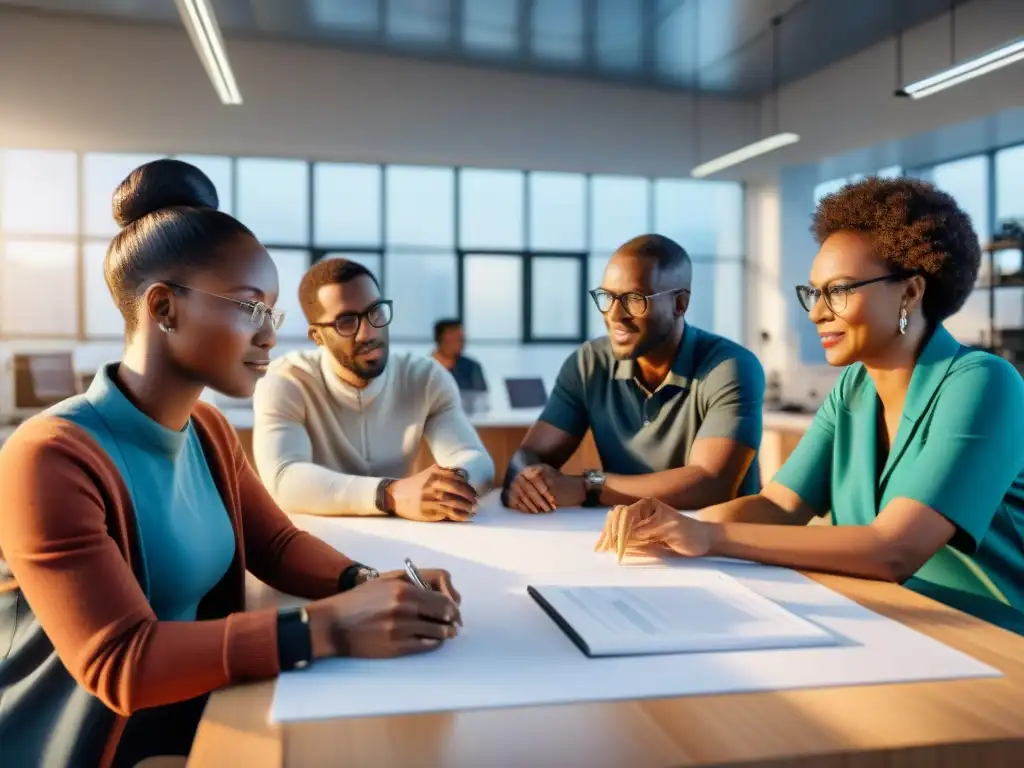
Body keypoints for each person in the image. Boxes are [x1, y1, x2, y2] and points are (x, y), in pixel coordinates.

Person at [0, 160, 462, 768]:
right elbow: (120, 662)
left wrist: (367, 582)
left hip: (192, 713)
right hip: (87, 745)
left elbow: (276, 545)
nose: (270, 335)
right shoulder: (50, 455)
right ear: (164, 308)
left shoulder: (209, 430)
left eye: (272, 312)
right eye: (250, 308)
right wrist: (332, 627)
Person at [597, 177, 1024, 636]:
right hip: (885, 620)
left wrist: (708, 536)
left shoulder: (984, 382)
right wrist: (675, 523)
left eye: (837, 291)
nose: (816, 312)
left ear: (910, 292)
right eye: (813, 293)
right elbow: (779, 506)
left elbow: (893, 548)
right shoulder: (854, 389)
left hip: (988, 639)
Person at [503, 234, 765, 513]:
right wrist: (525, 479)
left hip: (720, 546)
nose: (615, 315)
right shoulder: (589, 363)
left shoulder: (730, 366)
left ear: (680, 304)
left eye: (634, 299)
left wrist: (588, 485)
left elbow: (711, 484)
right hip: (626, 539)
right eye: (608, 297)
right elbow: (529, 457)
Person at [252, 258, 494, 521]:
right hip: (321, 538)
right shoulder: (287, 380)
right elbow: (284, 477)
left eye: (375, 312)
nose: (368, 333)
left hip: (405, 531)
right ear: (317, 337)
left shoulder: (424, 377)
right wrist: (391, 494)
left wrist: (452, 484)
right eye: (346, 322)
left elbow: (473, 457)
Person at [433, 318, 488, 393]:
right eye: (455, 338)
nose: (460, 343)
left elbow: (481, 397)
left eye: (461, 338)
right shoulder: (422, 368)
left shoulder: (472, 367)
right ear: (440, 338)